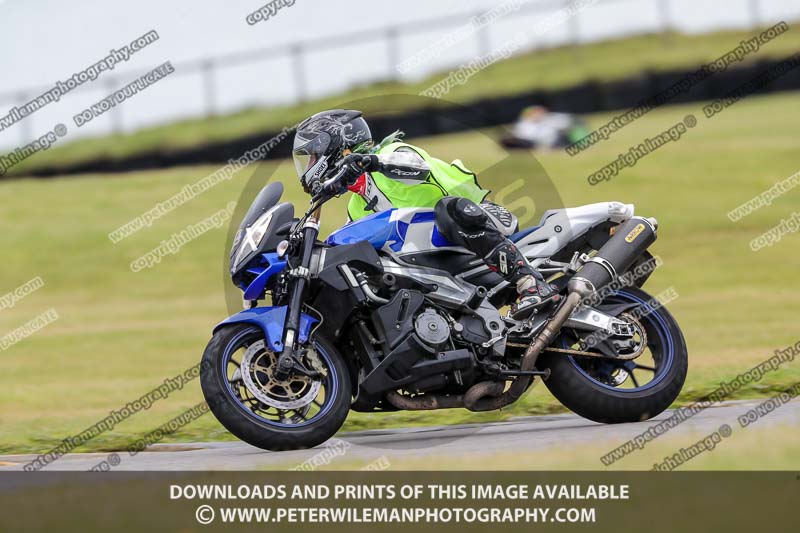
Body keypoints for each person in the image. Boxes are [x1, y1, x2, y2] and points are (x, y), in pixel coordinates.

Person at [292, 109, 559, 318]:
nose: (309, 166)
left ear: (339, 147)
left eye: (313, 157)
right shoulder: (356, 206)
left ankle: (531, 283)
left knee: (449, 209)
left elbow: (415, 167)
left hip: (478, 222)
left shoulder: (392, 152)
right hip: (437, 259)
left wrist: (370, 162)